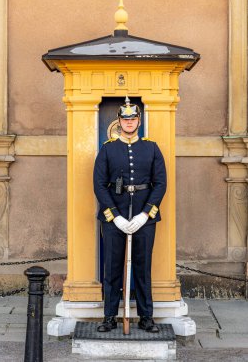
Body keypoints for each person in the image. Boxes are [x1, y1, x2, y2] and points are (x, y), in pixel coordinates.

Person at [93, 96, 167, 333]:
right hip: (115, 217)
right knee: (112, 268)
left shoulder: (151, 147)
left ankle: (146, 317)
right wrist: (114, 215)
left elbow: (160, 184)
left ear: (139, 121)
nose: (129, 122)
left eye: (133, 118)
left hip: (144, 218)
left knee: (143, 268)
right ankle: (109, 317)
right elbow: (99, 184)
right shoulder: (107, 149)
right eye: (125, 119)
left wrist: (146, 214)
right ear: (119, 121)